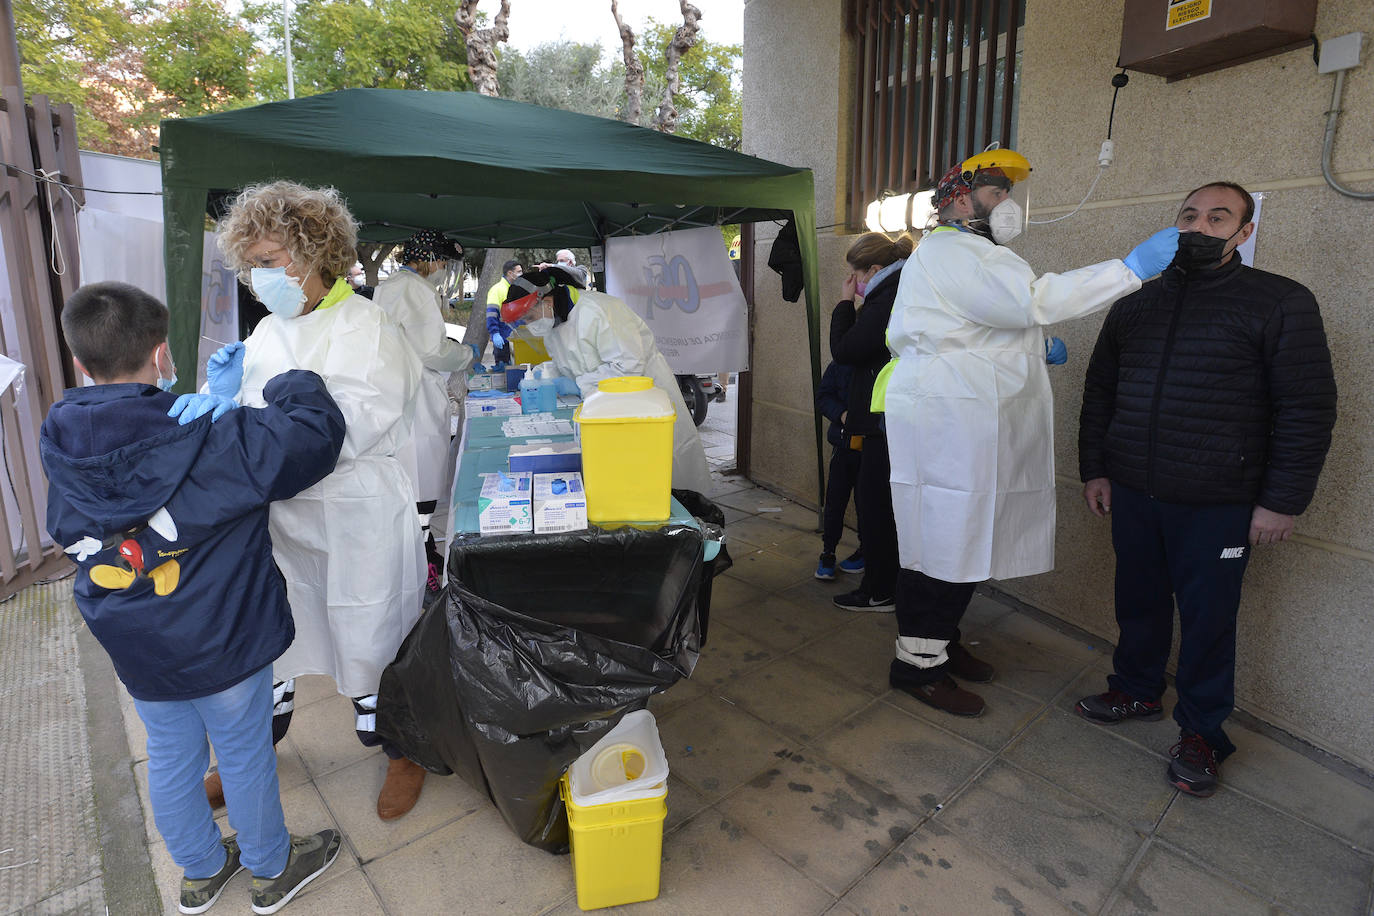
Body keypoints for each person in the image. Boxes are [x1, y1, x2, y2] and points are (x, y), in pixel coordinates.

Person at [42, 282, 345, 915]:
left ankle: (202, 871)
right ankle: (271, 868)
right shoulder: (214, 436)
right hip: (222, 634)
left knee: (171, 756)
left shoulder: (63, 446)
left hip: (136, 642)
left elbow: (115, 492)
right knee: (241, 749)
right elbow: (312, 437)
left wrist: (208, 399)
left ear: (78, 364)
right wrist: (287, 383)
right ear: (161, 356)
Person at [880, 148, 1182, 717]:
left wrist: (1031, 346)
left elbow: (984, 322)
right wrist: (1128, 269)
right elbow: (1030, 301)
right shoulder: (953, 249)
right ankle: (916, 666)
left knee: (965, 538)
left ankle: (937, 646)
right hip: (953, 417)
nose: (1008, 205)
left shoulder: (970, 254)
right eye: (997, 192)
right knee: (943, 540)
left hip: (970, 411)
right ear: (961, 198)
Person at [1075, 181, 1337, 797]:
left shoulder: (1279, 302)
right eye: (1190, 215)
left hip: (1219, 502)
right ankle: (1137, 690)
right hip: (1135, 490)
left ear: (1244, 233)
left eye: (1219, 218)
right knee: (1137, 599)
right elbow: (1100, 393)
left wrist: (1280, 501)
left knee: (1209, 619)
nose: (1200, 226)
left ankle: (1203, 732)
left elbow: (1306, 408)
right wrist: (1096, 467)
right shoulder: (1136, 302)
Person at [209, 180, 430, 821]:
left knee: (371, 635)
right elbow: (248, 413)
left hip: (355, 513)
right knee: (274, 638)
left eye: (270, 262)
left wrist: (253, 436)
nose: (258, 277)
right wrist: (217, 404)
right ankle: (252, 750)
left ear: (313, 255)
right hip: (281, 517)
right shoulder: (267, 334)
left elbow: (347, 428)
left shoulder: (367, 328)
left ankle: (400, 749)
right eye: (250, 265)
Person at [521, 266, 713, 494]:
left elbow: (628, 366)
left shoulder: (599, 309)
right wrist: (546, 374)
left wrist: (578, 384)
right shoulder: (554, 324)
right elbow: (568, 360)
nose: (530, 324)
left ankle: (688, 515)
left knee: (665, 475)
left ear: (547, 302)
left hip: (645, 403)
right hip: (603, 407)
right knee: (625, 477)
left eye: (529, 317)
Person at [372, 230, 482, 592]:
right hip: (417, 392)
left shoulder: (390, 285)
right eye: (443, 261)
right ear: (429, 258)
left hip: (395, 390)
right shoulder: (416, 289)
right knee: (423, 474)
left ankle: (418, 552)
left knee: (410, 474)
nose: (444, 269)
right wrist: (465, 355)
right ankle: (422, 562)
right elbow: (431, 350)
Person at [828, 231, 913, 610]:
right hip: (888, 419)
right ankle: (885, 585)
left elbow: (845, 350)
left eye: (855, 275)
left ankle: (880, 589)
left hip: (883, 422)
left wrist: (845, 303)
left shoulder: (886, 297)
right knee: (877, 505)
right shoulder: (898, 288)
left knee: (876, 507)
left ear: (875, 269)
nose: (853, 283)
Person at [814, 359, 864, 580]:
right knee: (835, 501)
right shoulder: (841, 363)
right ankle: (828, 552)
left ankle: (865, 552)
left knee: (868, 505)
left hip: (873, 450)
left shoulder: (885, 361)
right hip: (844, 445)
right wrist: (842, 414)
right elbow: (823, 396)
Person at [485, 259, 522, 366]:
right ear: (510, 273)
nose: (521, 274)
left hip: (516, 339)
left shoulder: (515, 289)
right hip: (502, 339)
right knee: (505, 374)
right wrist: (494, 333)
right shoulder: (497, 290)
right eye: (519, 271)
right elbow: (492, 313)